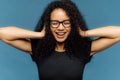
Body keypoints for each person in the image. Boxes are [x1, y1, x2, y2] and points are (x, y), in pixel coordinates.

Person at [0, 0, 120, 80]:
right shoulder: (37, 50)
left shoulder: (83, 50)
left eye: (66, 22)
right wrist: (40, 35)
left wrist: (84, 33)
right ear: (48, 25)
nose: (61, 27)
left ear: (73, 25)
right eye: (55, 23)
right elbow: (3, 33)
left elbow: (117, 33)